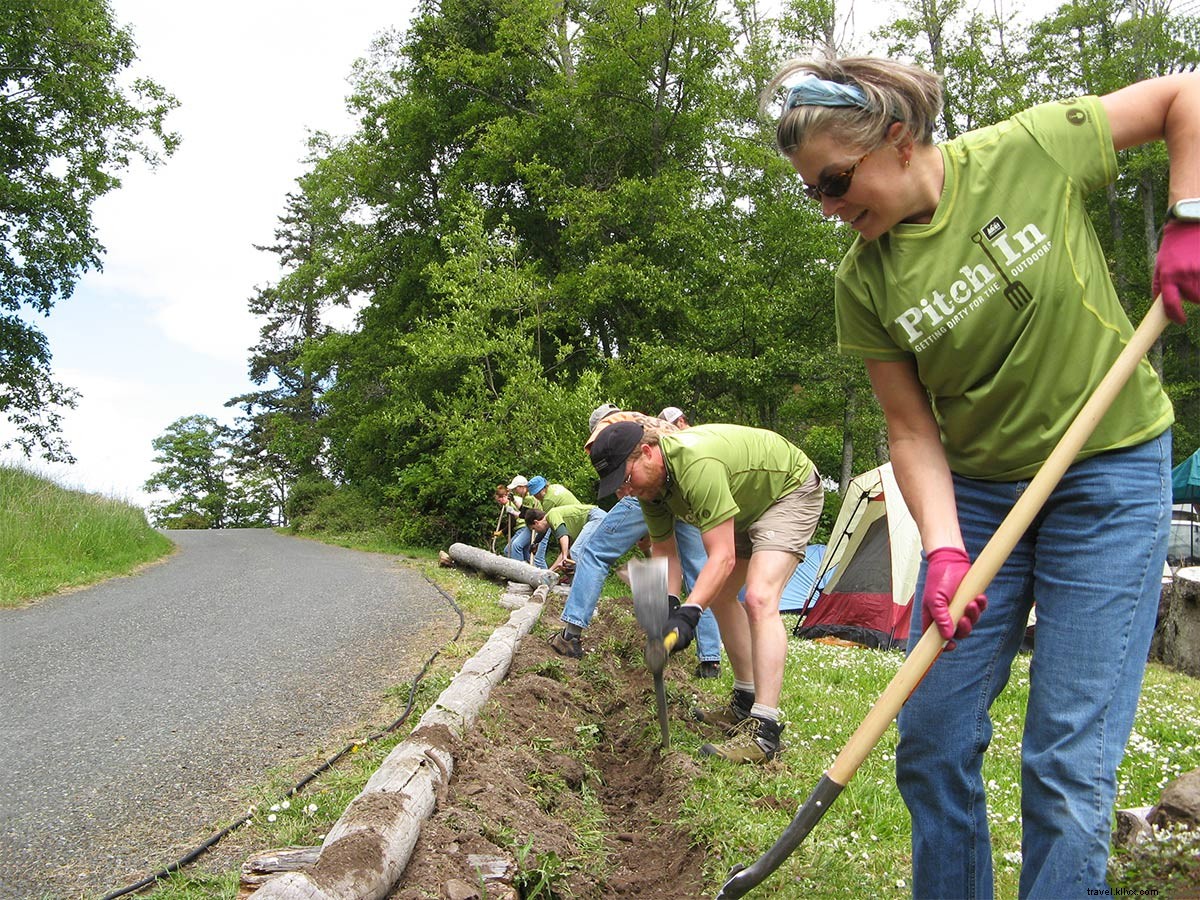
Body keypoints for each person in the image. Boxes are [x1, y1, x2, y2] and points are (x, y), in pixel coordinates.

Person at [766, 53, 1197, 897]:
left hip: (1106, 478)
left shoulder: (1027, 151)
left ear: (896, 137)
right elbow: (910, 429)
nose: (827, 207)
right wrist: (944, 551)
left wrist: (1189, 212)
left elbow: (1187, 94)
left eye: (834, 180)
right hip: (984, 498)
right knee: (930, 734)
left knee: (1069, 758)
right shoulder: (863, 281)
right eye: (811, 191)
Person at [590, 420, 824, 763]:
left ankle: (766, 731)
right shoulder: (651, 490)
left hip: (788, 490)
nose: (625, 492)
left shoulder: (695, 465)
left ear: (647, 452)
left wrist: (689, 613)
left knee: (759, 597)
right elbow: (666, 552)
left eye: (625, 480)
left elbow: (723, 557)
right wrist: (670, 606)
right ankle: (744, 702)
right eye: (617, 488)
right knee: (721, 596)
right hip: (746, 505)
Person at [549, 404, 723, 679]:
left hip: (647, 486)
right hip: (685, 487)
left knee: (595, 552)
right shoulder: (648, 423)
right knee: (699, 573)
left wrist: (635, 512)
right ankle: (710, 661)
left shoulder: (608, 429)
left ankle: (570, 635)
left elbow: (621, 482)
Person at [524, 503, 606, 575]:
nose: (536, 531)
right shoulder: (553, 527)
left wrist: (564, 558)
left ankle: (585, 584)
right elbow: (566, 551)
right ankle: (576, 586)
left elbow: (563, 535)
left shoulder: (552, 514)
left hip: (596, 517)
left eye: (534, 528)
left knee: (575, 551)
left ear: (536, 522)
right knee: (570, 563)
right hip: (596, 519)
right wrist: (550, 571)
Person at [501, 475, 544, 567]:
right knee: (526, 553)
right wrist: (513, 501)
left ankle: (520, 571)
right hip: (531, 525)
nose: (515, 491)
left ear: (521, 487)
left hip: (536, 525)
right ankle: (530, 571)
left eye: (516, 488)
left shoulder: (529, 497)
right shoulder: (526, 496)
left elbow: (524, 515)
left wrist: (512, 512)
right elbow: (524, 510)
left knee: (516, 546)